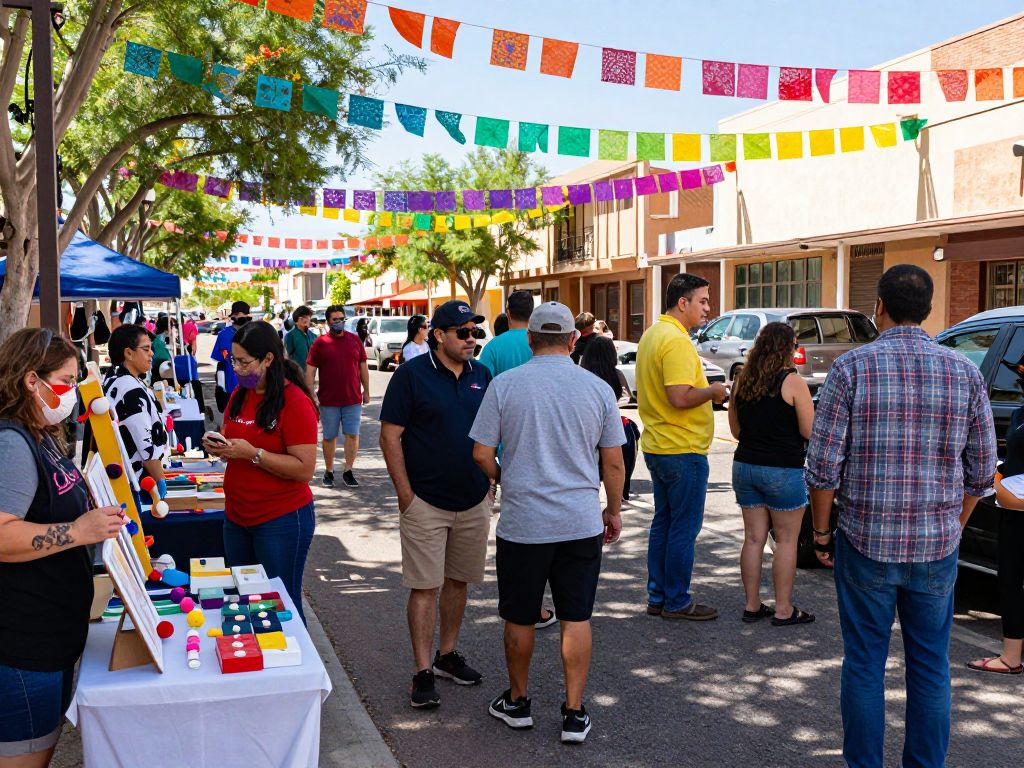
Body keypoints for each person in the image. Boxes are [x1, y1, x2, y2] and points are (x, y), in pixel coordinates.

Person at [807, 265, 996, 768]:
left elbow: (823, 469)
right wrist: (954, 526)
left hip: (866, 538)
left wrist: (822, 534)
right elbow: (981, 473)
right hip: (936, 544)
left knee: (865, 665)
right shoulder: (965, 373)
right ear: (929, 309)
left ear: (880, 308)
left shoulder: (850, 369)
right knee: (931, 668)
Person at [470, 302, 625, 744]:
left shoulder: (505, 385)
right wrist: (612, 511)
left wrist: (505, 476)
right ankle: (574, 712)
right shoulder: (596, 388)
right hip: (579, 522)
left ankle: (518, 702)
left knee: (519, 616)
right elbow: (613, 462)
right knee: (576, 616)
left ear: (532, 340)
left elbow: (481, 453)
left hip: (524, 523)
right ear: (573, 340)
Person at [0, 329, 123, 764]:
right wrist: (77, 531)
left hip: (50, 637)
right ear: (31, 380)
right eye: (66, 382)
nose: (72, 393)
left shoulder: (37, 433)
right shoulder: (11, 443)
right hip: (22, 645)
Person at [379, 300, 492, 710]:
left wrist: (491, 483)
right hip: (424, 501)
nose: (470, 339)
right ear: (439, 335)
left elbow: (492, 433)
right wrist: (405, 495)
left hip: (474, 499)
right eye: (462, 332)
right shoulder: (411, 375)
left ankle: (447, 655)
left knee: (459, 581)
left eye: (474, 332)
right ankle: (423, 670)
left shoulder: (482, 374)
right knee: (425, 587)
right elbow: (390, 437)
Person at [202, 321, 319, 623]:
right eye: (233, 360)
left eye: (244, 361)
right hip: (238, 517)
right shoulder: (240, 395)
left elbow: (304, 469)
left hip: (281, 519)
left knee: (281, 603)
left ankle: (295, 667)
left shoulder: (294, 401)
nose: (237, 368)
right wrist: (220, 447)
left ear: (268, 359)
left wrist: (254, 454)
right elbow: (232, 442)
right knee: (245, 599)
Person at [636, 273, 728, 621]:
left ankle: (658, 595)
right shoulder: (674, 339)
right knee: (683, 529)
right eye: (703, 301)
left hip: (660, 444)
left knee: (664, 523)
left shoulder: (652, 334)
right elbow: (679, 396)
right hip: (681, 446)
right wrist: (715, 391)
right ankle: (676, 600)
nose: (708, 308)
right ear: (683, 303)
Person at [477, 290, 556, 628]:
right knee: (553, 532)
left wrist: (494, 471)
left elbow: (482, 397)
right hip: (551, 448)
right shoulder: (540, 344)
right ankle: (539, 606)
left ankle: (527, 604)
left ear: (508, 313)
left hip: (511, 452)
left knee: (522, 537)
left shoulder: (493, 349)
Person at [727, 322, 815, 626]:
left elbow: (736, 430)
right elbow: (808, 430)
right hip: (783, 469)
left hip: (745, 466)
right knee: (787, 542)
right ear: (787, 347)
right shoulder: (792, 381)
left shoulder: (742, 379)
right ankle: (783, 609)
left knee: (753, 539)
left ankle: (752, 605)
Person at [968, 354, 1024, 675]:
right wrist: (999, 477)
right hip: (1013, 516)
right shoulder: (1018, 413)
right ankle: (1011, 657)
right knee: (1010, 581)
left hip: (1017, 507)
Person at [305, 305, 370, 488]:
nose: (339, 322)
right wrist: (311, 396)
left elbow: (363, 366)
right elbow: (310, 372)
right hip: (328, 401)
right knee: (329, 437)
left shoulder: (355, 341)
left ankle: (348, 470)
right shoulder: (320, 343)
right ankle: (329, 471)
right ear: (328, 322)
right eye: (335, 319)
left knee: (352, 435)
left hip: (352, 399)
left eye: (341, 318)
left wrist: (367, 390)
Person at [101, 324, 169, 493]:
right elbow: (145, 447)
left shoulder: (117, 379)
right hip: (140, 484)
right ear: (128, 353)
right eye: (146, 349)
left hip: (132, 479)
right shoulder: (129, 388)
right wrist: (161, 485)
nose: (152, 353)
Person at [580, 335, 639, 500]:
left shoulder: (582, 374)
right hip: (610, 425)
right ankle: (622, 490)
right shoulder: (616, 375)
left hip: (587, 425)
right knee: (629, 433)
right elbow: (627, 397)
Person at [478, 290, 534, 377]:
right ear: (532, 314)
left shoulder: (492, 347)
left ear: (508, 313)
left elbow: (482, 380)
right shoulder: (541, 343)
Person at [212, 301, 251, 414]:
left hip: (252, 385)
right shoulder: (223, 335)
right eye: (243, 314)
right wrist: (220, 386)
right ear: (235, 315)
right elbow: (220, 362)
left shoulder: (253, 333)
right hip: (231, 386)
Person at [284, 305, 317, 374]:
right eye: (302, 317)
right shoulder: (290, 336)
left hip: (311, 374)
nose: (305, 319)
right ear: (296, 319)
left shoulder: (313, 335)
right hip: (297, 374)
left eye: (307, 317)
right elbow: (286, 357)